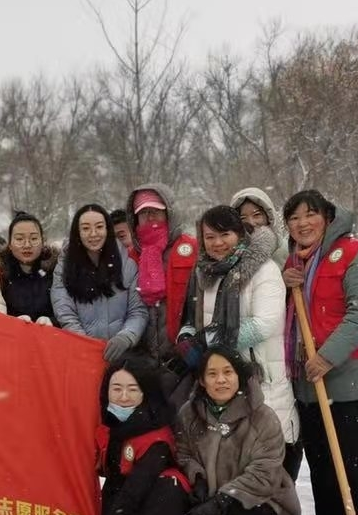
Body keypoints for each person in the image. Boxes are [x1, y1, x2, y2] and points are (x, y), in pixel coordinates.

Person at [282, 189, 358, 515]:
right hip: (308, 383)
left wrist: (327, 356)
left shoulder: (355, 252)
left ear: (327, 217)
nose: (302, 223)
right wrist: (285, 284)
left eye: (310, 214)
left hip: (348, 380)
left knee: (347, 469)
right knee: (321, 467)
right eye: (294, 218)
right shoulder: (293, 261)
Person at [178, 205, 299, 478]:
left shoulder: (263, 270)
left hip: (262, 378)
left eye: (225, 234)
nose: (217, 243)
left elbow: (265, 323)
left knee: (267, 468)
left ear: (240, 234)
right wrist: (187, 338)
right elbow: (192, 317)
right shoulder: (204, 273)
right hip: (220, 384)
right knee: (228, 466)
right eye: (209, 237)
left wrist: (211, 342)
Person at [175, 348, 301, 515]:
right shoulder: (188, 414)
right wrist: (197, 479)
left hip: (261, 501)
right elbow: (182, 453)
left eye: (227, 372)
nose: (220, 380)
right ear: (202, 380)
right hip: (209, 497)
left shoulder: (263, 417)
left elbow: (265, 472)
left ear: (240, 377)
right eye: (212, 374)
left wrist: (224, 500)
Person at [95, 356, 191, 515]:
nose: (123, 397)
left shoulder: (156, 436)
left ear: (145, 393)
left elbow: (133, 492)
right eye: (116, 388)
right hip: (129, 510)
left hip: (155, 511)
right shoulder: (111, 427)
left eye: (132, 389)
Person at [51, 203, 147, 359]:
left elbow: (138, 311)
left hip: (123, 356)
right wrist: (85, 344)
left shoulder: (127, 264)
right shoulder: (64, 267)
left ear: (108, 229)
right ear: (78, 232)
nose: (93, 234)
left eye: (99, 227)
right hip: (81, 354)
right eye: (86, 228)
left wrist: (126, 336)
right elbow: (65, 313)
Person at [125, 183, 198, 369]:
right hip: (141, 357)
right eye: (143, 212)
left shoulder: (191, 248)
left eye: (155, 211)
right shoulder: (130, 256)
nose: (149, 217)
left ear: (169, 213)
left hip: (183, 355)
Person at [0, 212, 57, 325]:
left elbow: (68, 311)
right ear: (10, 244)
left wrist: (52, 321)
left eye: (34, 238)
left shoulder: (56, 271)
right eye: (19, 239)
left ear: (42, 242)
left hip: (49, 337)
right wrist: (11, 322)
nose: (27, 245)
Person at [230, 187, 287, 267]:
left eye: (256, 215)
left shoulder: (284, 250)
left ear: (269, 216)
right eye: (243, 218)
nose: (251, 222)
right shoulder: (230, 255)